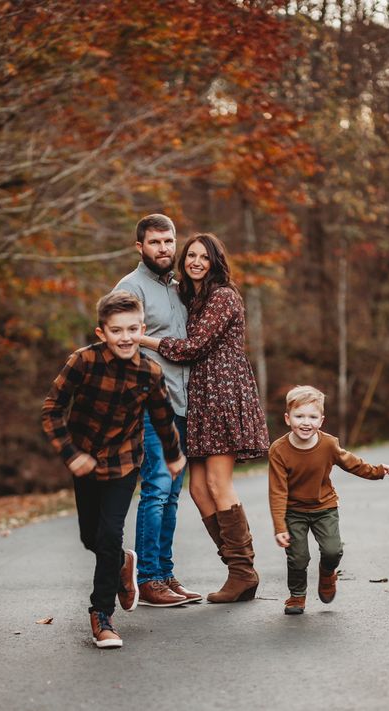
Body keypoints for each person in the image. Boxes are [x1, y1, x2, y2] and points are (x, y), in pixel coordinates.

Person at [41, 291, 186, 648]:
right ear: (101, 331)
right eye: (116, 330)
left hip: (123, 462)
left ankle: (102, 614)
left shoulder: (149, 372)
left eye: (132, 329)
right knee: (91, 538)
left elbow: (163, 416)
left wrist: (173, 454)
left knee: (108, 535)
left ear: (142, 328)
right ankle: (123, 562)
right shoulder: (83, 362)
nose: (125, 337)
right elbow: (52, 409)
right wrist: (70, 452)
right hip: (85, 460)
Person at [140, 232, 269, 603]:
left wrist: (145, 341)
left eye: (203, 256)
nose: (196, 261)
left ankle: (242, 572)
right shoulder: (191, 297)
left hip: (223, 393)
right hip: (200, 398)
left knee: (217, 483)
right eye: (190, 255)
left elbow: (193, 347)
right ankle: (238, 570)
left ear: (215, 261)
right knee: (197, 490)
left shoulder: (223, 296)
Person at [116, 214, 201, 606]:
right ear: (140, 247)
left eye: (169, 241)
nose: (164, 249)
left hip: (182, 404)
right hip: (152, 406)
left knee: (171, 495)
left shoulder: (178, 288)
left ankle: (164, 573)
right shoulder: (131, 288)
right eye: (155, 242)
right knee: (156, 489)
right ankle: (148, 578)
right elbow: (120, 344)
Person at [268, 384, 389, 616]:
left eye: (312, 417)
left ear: (321, 420)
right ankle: (297, 595)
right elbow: (277, 490)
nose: (306, 422)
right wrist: (279, 526)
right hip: (293, 511)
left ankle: (327, 574)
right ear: (288, 419)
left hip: (324, 507)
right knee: (297, 557)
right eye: (299, 416)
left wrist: (377, 471)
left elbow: (352, 463)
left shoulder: (328, 444)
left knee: (333, 551)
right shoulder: (278, 450)